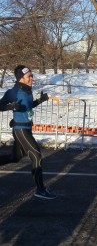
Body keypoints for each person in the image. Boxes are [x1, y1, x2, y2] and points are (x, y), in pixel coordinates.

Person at [0, 65, 56, 200]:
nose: (32, 78)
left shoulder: (28, 91)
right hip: (20, 130)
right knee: (36, 156)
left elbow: (28, 107)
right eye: (29, 76)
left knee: (15, 158)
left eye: (32, 75)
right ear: (21, 78)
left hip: (27, 128)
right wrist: (10, 107)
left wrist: (39, 100)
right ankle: (40, 190)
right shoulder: (13, 92)